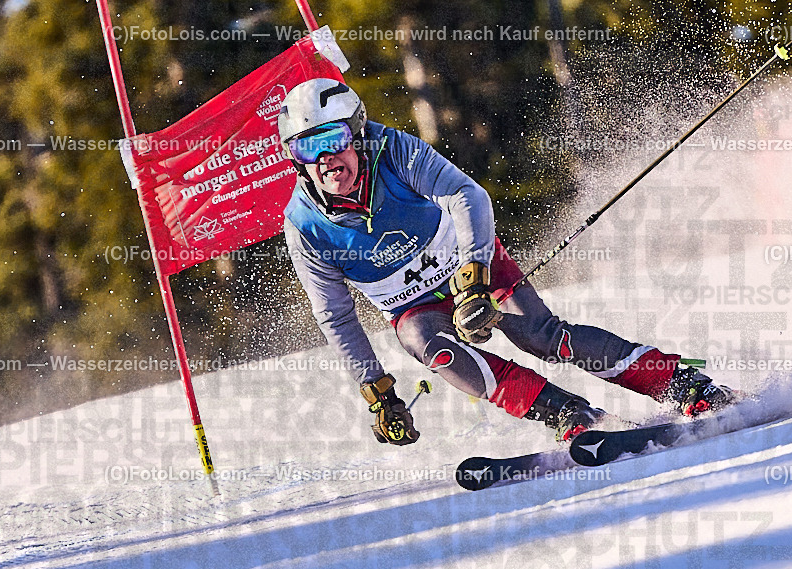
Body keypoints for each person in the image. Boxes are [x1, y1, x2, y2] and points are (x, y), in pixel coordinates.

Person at [277, 78, 735, 446]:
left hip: (468, 264)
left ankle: (683, 384)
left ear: (357, 134)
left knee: (538, 335)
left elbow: (466, 194)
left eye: (334, 139)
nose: (325, 160)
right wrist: (377, 391)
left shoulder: (394, 151)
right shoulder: (304, 226)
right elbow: (335, 315)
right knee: (428, 344)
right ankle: (568, 413)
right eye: (306, 149)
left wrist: (473, 277)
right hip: (413, 305)